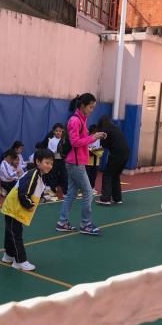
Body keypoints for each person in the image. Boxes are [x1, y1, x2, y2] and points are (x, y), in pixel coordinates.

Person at [55, 94, 106, 236]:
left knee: (71, 194)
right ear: (83, 105)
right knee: (88, 192)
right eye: (90, 107)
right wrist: (92, 138)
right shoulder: (75, 121)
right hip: (76, 163)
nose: (91, 110)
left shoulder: (81, 119)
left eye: (93, 107)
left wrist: (94, 136)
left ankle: (62, 222)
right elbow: (75, 142)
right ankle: (85, 224)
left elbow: (81, 139)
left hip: (76, 162)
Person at [1, 148, 54, 271]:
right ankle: (20, 261)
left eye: (51, 163)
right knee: (16, 234)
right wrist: (29, 205)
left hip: (15, 208)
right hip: (14, 208)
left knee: (11, 232)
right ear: (38, 162)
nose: (49, 166)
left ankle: (9, 255)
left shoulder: (39, 175)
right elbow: (23, 193)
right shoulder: (33, 175)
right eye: (47, 162)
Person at [95, 115, 131, 206]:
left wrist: (96, 149)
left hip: (117, 154)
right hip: (126, 153)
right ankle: (117, 199)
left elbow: (105, 145)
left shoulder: (104, 130)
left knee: (107, 175)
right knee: (115, 175)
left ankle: (105, 199)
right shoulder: (116, 129)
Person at [44, 123, 68, 196]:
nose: (58, 132)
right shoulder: (51, 141)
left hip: (63, 160)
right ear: (53, 131)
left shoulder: (64, 140)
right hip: (54, 160)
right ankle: (53, 190)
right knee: (53, 175)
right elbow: (49, 150)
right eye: (57, 131)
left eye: (60, 131)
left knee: (64, 175)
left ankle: (65, 192)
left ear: (62, 131)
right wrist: (56, 151)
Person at [86, 124, 103, 193]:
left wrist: (97, 151)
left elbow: (101, 149)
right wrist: (93, 151)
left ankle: (92, 187)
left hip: (96, 161)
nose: (95, 135)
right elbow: (87, 150)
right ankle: (85, 188)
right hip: (88, 161)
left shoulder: (100, 140)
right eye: (93, 133)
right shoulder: (88, 139)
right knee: (87, 175)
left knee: (93, 175)